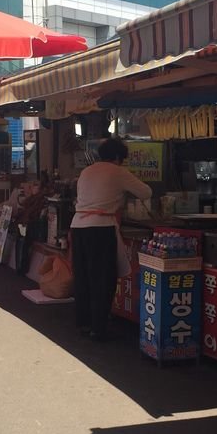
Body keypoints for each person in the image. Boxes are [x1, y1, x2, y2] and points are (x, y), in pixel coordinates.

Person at [71, 138, 152, 342]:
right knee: (101, 279)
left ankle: (84, 323)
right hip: (100, 227)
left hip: (78, 226)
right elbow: (146, 192)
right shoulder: (117, 171)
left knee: (83, 277)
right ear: (117, 157)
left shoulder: (87, 171)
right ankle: (98, 328)